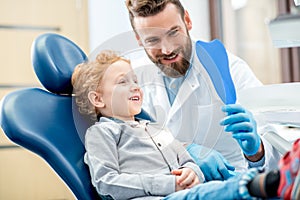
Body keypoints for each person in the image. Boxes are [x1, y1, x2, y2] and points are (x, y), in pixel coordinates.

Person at [71, 50, 299, 200]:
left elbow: (188, 160)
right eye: (123, 82)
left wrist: (193, 172)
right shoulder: (102, 132)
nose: (135, 87)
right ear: (98, 99)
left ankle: (273, 183)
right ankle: (269, 184)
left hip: (182, 192)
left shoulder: (155, 128)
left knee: (207, 190)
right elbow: (106, 182)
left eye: (136, 81)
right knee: (207, 194)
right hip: (156, 197)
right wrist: (168, 184)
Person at [125, 0, 281, 181]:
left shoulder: (231, 70)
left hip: (234, 184)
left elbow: (278, 154)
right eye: (153, 40)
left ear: (187, 20)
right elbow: (126, 149)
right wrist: (181, 149)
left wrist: (256, 151)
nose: (167, 49)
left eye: (174, 33)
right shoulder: (132, 80)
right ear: (138, 39)